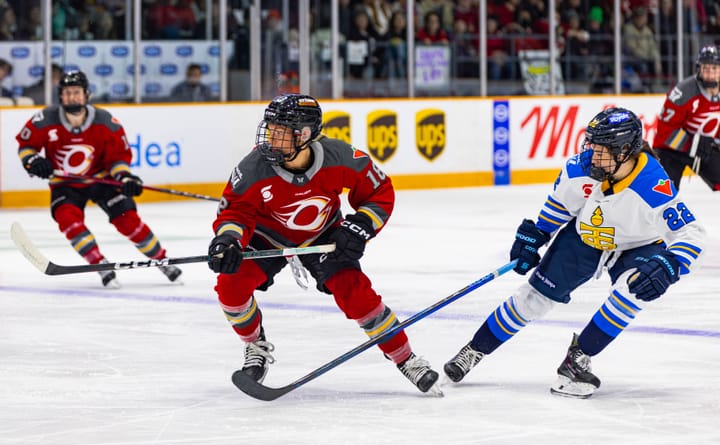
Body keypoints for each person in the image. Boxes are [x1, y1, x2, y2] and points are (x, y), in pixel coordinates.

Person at [443, 107, 706, 399]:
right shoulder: (579, 169)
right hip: (586, 239)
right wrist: (537, 235)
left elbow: (691, 234)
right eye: (590, 144)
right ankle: (475, 349)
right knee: (532, 299)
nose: (591, 154)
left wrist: (670, 263)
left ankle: (576, 360)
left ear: (624, 151)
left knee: (632, 289)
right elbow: (559, 208)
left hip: (637, 245)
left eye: (600, 148)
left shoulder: (652, 184)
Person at [207, 93, 441, 394]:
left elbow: (379, 190)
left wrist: (361, 226)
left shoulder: (340, 156)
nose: (270, 137)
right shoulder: (254, 167)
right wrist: (227, 240)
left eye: (280, 131)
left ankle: (407, 359)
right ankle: (255, 347)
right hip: (267, 237)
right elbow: (235, 211)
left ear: (304, 135)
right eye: (270, 128)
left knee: (357, 295)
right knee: (231, 286)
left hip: (324, 236)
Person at [15, 70, 182, 288]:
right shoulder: (44, 119)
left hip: (102, 182)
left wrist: (125, 177)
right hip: (65, 185)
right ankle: (100, 264)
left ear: (86, 94)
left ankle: (161, 259)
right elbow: (26, 147)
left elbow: (118, 158)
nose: (72, 97)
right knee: (69, 221)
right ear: (60, 96)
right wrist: (33, 161)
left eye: (76, 92)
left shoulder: (106, 122)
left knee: (128, 220)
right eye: (67, 93)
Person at [654, 44, 720, 191]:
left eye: (714, 69)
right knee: (664, 193)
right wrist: (694, 144)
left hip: (703, 148)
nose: (710, 73)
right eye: (705, 68)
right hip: (670, 151)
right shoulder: (683, 92)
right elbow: (665, 131)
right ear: (699, 69)